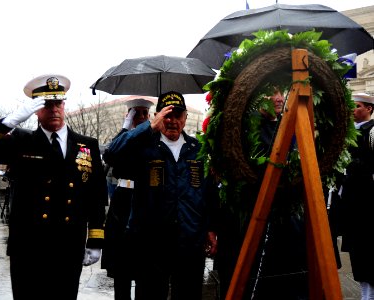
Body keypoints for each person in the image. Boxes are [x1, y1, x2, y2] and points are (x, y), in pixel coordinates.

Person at [0, 74, 108, 300]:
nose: (54, 109)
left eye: (58, 103)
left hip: (68, 244)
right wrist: (9, 122)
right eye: (47, 104)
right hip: (29, 245)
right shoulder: (21, 140)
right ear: (36, 110)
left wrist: (96, 239)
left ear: (64, 105)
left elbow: (97, 195)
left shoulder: (86, 145)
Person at [104, 91, 218, 300]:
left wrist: (210, 228)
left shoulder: (197, 149)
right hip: (151, 244)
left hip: (190, 241)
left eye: (178, 115)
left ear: (185, 118)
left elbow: (208, 192)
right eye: (167, 115)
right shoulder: (145, 147)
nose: (173, 121)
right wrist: (147, 127)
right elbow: (111, 154)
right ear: (157, 117)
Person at [215, 87, 309, 299]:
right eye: (271, 93)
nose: (277, 98)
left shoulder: (292, 127)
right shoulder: (246, 129)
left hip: (287, 224)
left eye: (280, 93)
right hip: (253, 220)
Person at [101, 97, 154, 300]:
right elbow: (110, 154)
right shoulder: (124, 139)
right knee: (121, 269)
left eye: (144, 113)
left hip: (144, 201)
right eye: (135, 113)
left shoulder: (152, 138)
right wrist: (126, 128)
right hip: (123, 204)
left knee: (143, 269)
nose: (140, 117)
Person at [340, 93, 374, 300]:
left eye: (358, 106)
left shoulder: (372, 132)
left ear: (369, 108)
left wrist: (349, 166)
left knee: (369, 250)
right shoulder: (349, 133)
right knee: (357, 252)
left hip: (368, 202)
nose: (353, 110)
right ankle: (365, 292)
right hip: (352, 203)